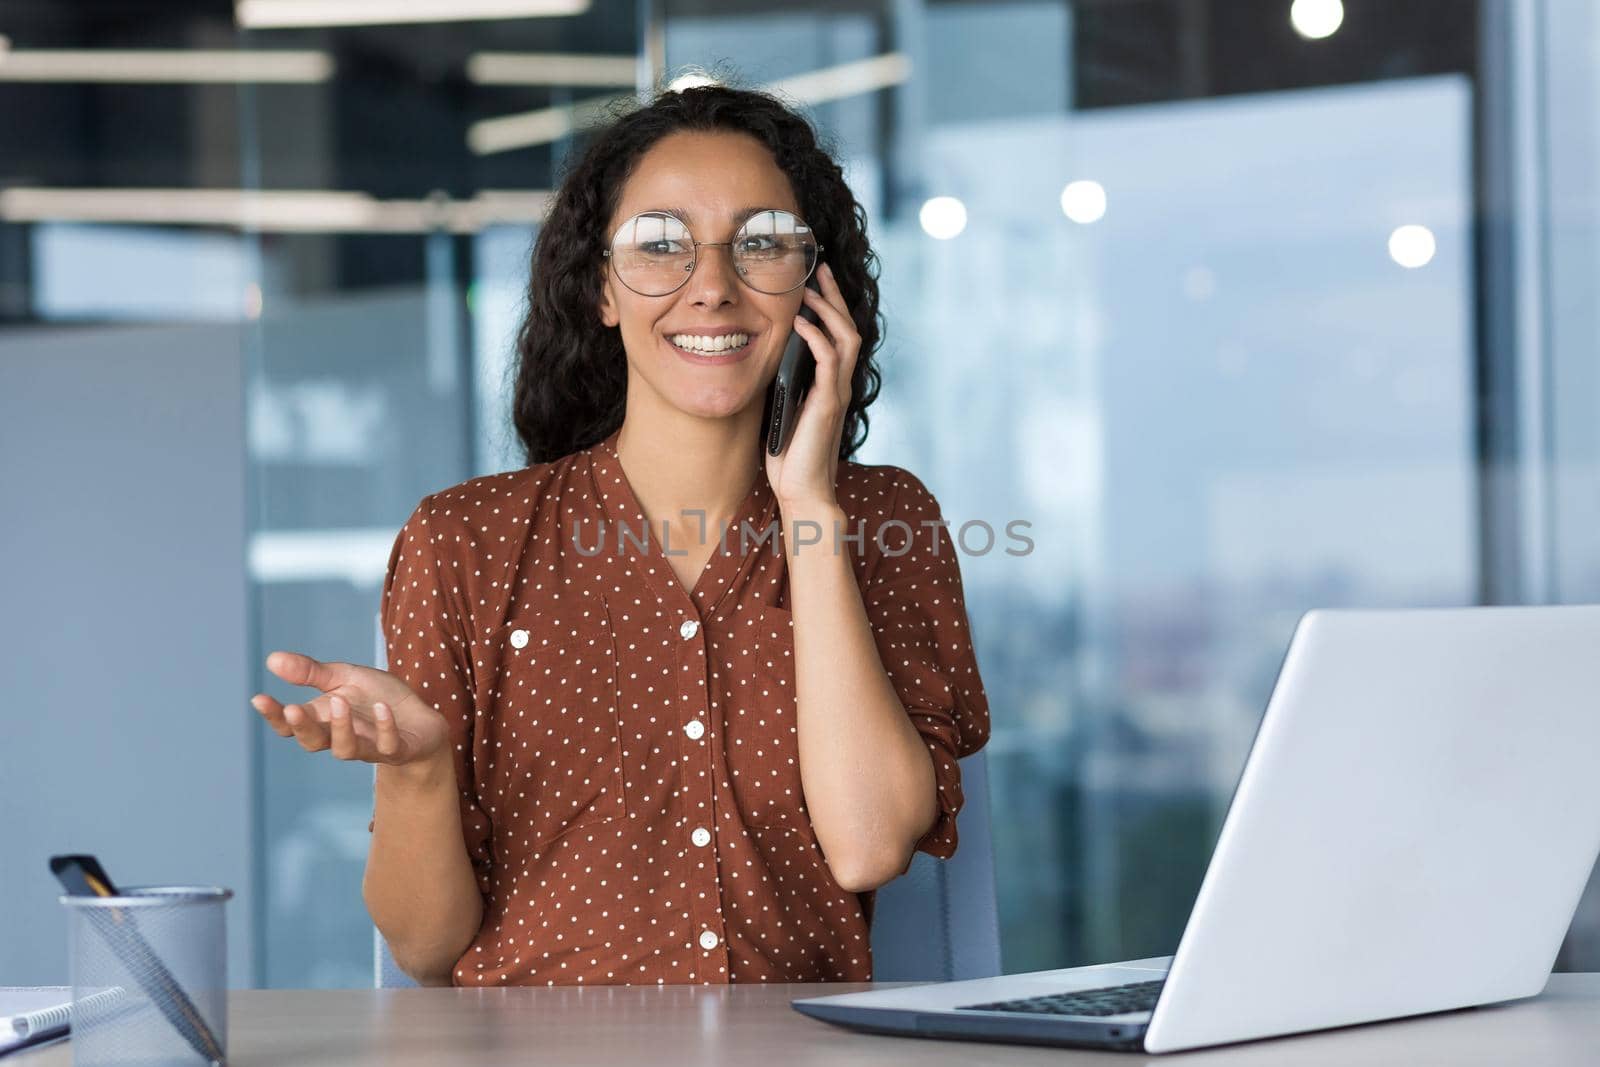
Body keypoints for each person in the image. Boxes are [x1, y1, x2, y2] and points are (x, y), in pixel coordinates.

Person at [249, 82, 990, 988]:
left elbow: (870, 846)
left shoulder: (884, 522)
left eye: (760, 244)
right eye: (659, 246)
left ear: (812, 284)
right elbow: (426, 947)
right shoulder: (465, 542)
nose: (712, 287)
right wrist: (419, 770)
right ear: (602, 287)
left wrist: (809, 514)